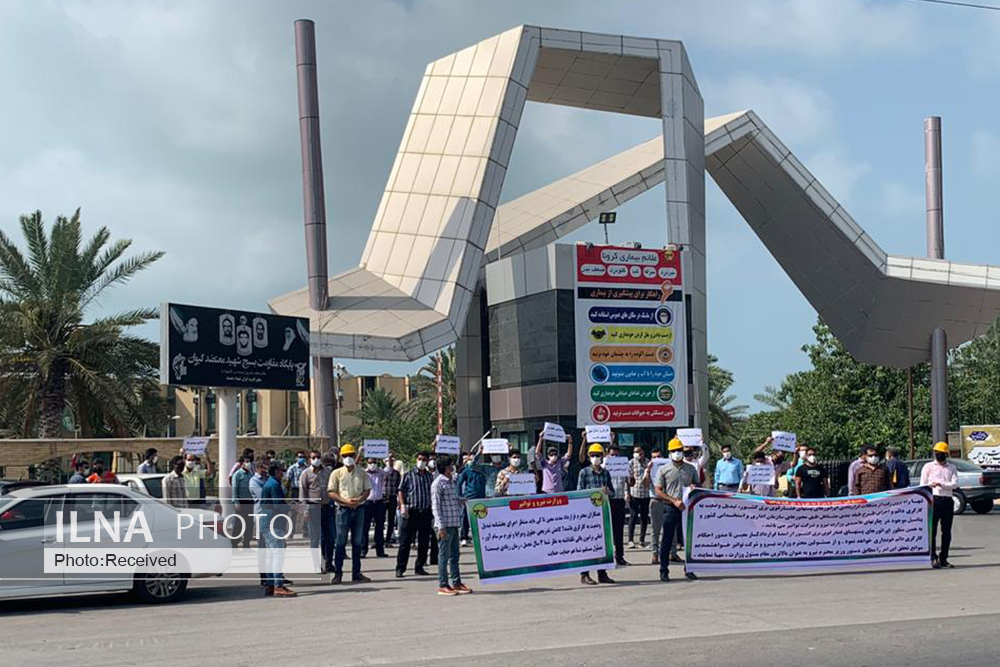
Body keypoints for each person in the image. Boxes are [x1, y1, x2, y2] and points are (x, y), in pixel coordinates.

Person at [327, 443, 372, 584]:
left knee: (357, 543)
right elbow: (331, 492)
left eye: (351, 455)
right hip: (343, 510)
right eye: (345, 455)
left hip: (359, 509)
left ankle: (356, 573)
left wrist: (359, 500)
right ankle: (338, 573)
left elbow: (367, 490)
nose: (348, 458)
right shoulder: (336, 473)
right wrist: (346, 501)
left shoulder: (361, 472)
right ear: (341, 457)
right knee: (340, 543)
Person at [655, 438, 699, 582]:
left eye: (679, 450)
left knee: (689, 540)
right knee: (667, 540)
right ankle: (663, 570)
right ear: (669, 452)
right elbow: (658, 491)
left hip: (687, 508)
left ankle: (689, 569)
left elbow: (698, 485)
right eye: (674, 450)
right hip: (670, 507)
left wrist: (694, 487)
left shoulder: (690, 468)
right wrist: (673, 501)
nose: (677, 453)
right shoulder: (663, 470)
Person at [431, 455, 473, 596]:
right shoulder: (438, 483)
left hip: (454, 524)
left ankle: (457, 582)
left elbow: (453, 500)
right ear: (445, 468)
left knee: (455, 556)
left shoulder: (451, 482)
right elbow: (436, 506)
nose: (453, 467)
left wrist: (464, 500)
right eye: (451, 465)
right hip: (445, 525)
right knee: (444, 556)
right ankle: (443, 584)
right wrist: (440, 526)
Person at [577, 443, 615, 585]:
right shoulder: (584, 472)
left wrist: (607, 491)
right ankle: (585, 574)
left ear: (602, 456)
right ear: (589, 457)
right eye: (593, 455)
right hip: (588, 514)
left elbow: (613, 492)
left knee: (602, 544)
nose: (595, 458)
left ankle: (602, 573)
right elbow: (579, 492)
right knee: (587, 544)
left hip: (602, 513)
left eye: (598, 455)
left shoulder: (606, 473)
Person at [586, 439, 628, 566]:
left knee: (618, 530)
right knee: (604, 531)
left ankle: (619, 556)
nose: (614, 457)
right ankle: (602, 557)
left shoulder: (622, 466)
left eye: (616, 455)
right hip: (604, 504)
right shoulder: (602, 467)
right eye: (612, 454)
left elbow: (625, 484)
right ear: (607, 454)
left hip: (619, 500)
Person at [396, 451, 435, 578]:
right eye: (419, 459)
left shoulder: (429, 476)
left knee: (424, 542)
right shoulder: (408, 475)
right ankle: (400, 568)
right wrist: (402, 505)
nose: (421, 461)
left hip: (425, 512)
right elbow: (401, 490)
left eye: (424, 459)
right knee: (405, 542)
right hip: (411, 512)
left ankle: (420, 566)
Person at [260, 463, 296, 597]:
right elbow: (279, 506)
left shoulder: (271, 483)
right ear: (276, 471)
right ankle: (278, 585)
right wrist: (292, 507)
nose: (283, 473)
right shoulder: (274, 485)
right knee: (278, 555)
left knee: (271, 555)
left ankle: (270, 584)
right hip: (274, 524)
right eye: (282, 471)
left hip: (268, 523)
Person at [922, 442, 958, 569]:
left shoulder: (951, 467)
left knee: (946, 531)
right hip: (933, 500)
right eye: (937, 453)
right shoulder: (928, 467)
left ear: (946, 454)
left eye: (942, 453)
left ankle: (944, 558)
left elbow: (955, 484)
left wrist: (941, 484)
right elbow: (923, 484)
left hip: (947, 500)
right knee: (932, 530)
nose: (939, 455)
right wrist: (931, 485)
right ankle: (933, 557)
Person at [299, 450, 329, 573]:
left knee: (329, 537)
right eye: (313, 457)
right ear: (310, 459)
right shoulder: (305, 474)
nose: (316, 459)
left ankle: (328, 562)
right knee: (315, 538)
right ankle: (317, 565)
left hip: (326, 506)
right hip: (313, 507)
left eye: (318, 457)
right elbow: (302, 493)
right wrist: (305, 510)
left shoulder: (326, 472)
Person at [456, 451, 486, 546]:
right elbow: (459, 483)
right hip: (469, 497)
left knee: (481, 517)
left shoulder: (482, 470)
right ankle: (464, 537)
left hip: (481, 497)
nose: (472, 461)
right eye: (470, 459)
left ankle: (480, 537)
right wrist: (460, 496)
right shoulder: (466, 471)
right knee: (465, 517)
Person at [362, 456, 388, 558]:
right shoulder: (363, 473)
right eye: (370, 462)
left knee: (380, 528)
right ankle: (363, 550)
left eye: (374, 462)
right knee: (365, 527)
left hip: (379, 502)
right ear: (367, 463)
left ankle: (380, 551)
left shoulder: (380, 472)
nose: (372, 464)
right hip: (367, 503)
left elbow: (389, 470)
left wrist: (385, 457)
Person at [645, 447, 666, 564]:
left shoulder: (668, 467)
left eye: (659, 457)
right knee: (655, 529)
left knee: (671, 528)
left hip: (669, 501)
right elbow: (645, 484)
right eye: (654, 457)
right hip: (656, 500)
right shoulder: (649, 469)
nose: (657, 459)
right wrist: (648, 472)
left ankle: (672, 553)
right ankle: (655, 553)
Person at [627, 446, 651, 548]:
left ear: (643, 452)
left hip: (645, 494)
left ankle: (642, 540)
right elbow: (627, 479)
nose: (636, 453)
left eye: (638, 451)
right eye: (635, 452)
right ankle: (630, 540)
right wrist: (627, 492)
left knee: (644, 518)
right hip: (634, 493)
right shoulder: (631, 462)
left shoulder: (648, 462)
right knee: (633, 516)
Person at [230, 455, 254, 549]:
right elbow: (234, 489)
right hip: (241, 502)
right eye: (246, 461)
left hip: (249, 501)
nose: (248, 463)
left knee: (249, 523)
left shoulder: (251, 474)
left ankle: (246, 543)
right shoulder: (237, 474)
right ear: (241, 463)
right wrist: (236, 502)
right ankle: (234, 543)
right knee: (238, 523)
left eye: (249, 461)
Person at [285, 450, 309, 537]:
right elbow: (288, 481)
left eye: (303, 457)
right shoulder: (292, 468)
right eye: (300, 457)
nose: (302, 458)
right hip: (295, 490)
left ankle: (304, 531)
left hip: (304, 490)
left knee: (305, 510)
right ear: (296, 458)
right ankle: (291, 532)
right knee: (293, 512)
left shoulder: (307, 468)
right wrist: (286, 493)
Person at [383, 453, 402, 547]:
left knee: (391, 521)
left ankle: (388, 540)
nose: (390, 462)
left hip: (393, 498)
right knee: (380, 520)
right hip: (382, 498)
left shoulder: (396, 473)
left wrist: (399, 499)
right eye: (388, 460)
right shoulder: (381, 472)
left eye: (391, 460)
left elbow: (399, 487)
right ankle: (378, 540)